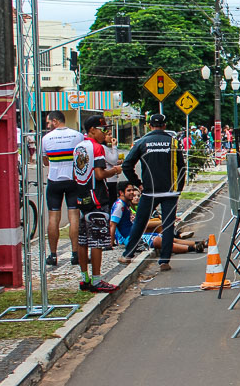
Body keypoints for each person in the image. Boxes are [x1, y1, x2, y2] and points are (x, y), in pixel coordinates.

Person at [119, 113, 186, 272]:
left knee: (140, 223)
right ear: (164, 125)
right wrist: (179, 188)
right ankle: (164, 261)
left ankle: (128, 254)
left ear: (150, 125)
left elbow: (127, 165)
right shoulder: (173, 142)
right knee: (168, 225)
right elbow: (182, 167)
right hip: (170, 191)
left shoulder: (142, 142)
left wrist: (138, 184)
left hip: (149, 192)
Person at [72, 116, 122, 292]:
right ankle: (96, 280)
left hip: (82, 196)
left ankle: (84, 278)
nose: (105, 133)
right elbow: (100, 174)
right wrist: (115, 170)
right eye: (102, 129)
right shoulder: (97, 147)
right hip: (97, 198)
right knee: (97, 241)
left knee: (83, 240)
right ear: (92, 130)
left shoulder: (79, 147)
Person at [40, 110, 84, 267]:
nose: (48, 125)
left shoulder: (46, 138)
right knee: (74, 217)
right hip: (73, 179)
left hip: (54, 179)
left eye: (48, 122)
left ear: (55, 121)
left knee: (53, 218)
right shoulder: (77, 136)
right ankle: (75, 254)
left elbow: (46, 161)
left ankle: (52, 255)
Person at [110, 184, 205, 255]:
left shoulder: (125, 204)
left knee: (167, 238)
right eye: (129, 191)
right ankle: (193, 248)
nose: (132, 193)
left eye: (132, 190)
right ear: (121, 193)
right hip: (129, 238)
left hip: (137, 234)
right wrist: (111, 244)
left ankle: (198, 243)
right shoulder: (119, 205)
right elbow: (112, 224)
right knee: (157, 241)